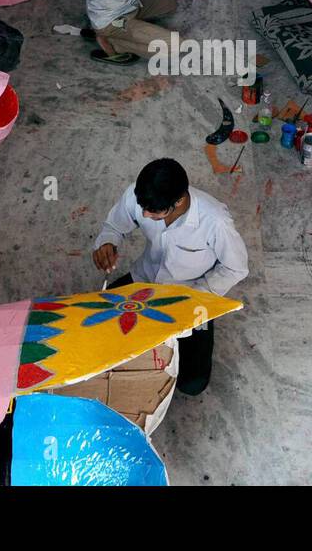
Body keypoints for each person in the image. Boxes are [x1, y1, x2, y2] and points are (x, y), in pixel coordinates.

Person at [93, 158, 248, 395]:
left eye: (152, 211)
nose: (143, 213)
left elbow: (236, 268)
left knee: (192, 383)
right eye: (142, 207)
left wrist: (197, 295)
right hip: (143, 280)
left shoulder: (215, 221)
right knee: (94, 322)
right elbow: (114, 226)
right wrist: (107, 242)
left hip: (191, 297)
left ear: (179, 201)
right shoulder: (141, 196)